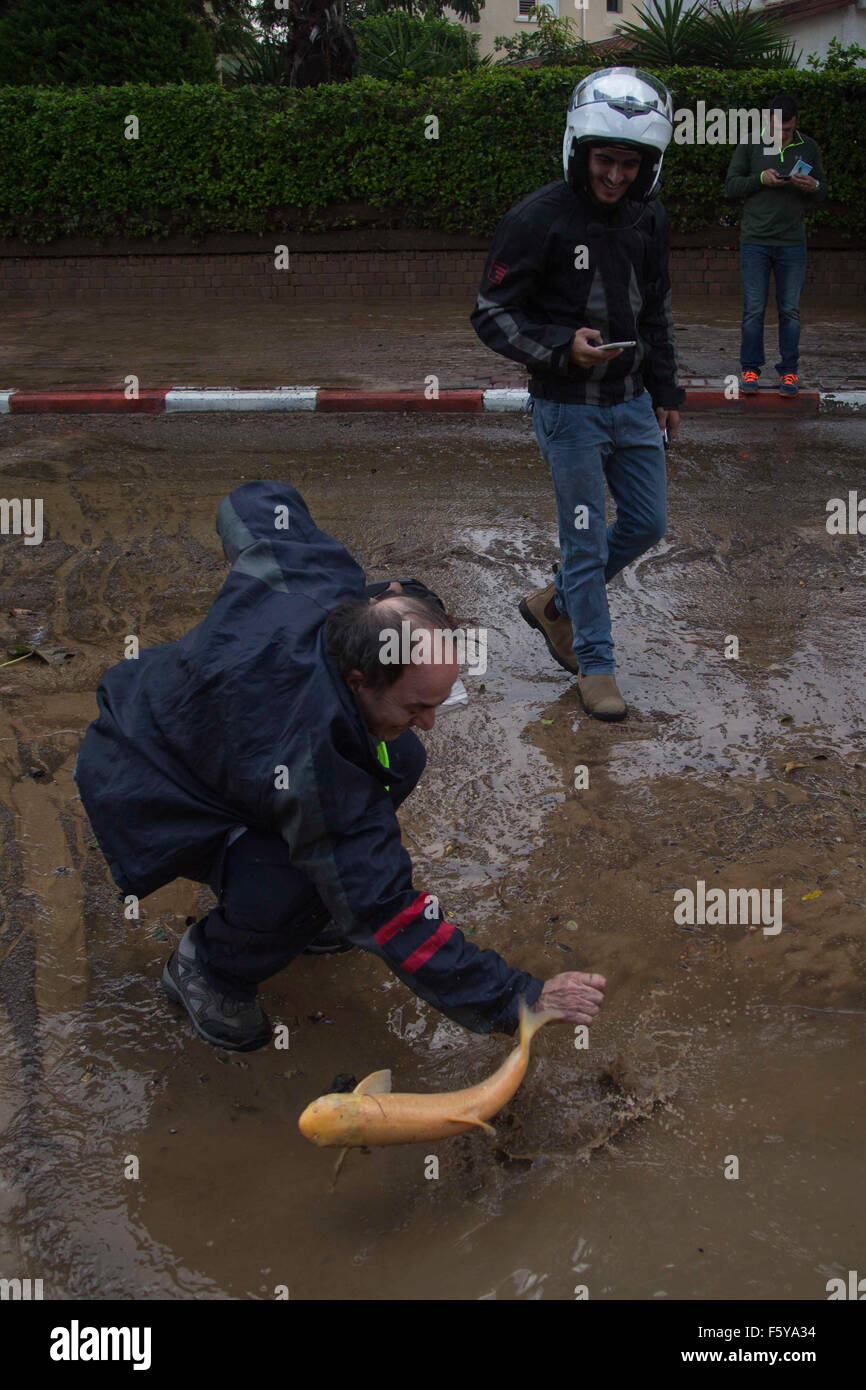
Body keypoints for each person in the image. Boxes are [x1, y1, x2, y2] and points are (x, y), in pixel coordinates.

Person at [74, 481, 606, 1052]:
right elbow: (390, 913)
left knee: (400, 756)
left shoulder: (323, 586)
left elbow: (252, 505)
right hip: (144, 779)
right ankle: (209, 966)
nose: (431, 720)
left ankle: (294, 896)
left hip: (204, 729)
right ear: (359, 679)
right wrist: (516, 997)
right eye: (417, 706)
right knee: (303, 880)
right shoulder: (317, 763)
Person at [471, 67, 684, 722]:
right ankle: (595, 663)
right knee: (587, 539)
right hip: (567, 408)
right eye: (604, 160)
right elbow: (491, 313)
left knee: (649, 523)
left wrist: (666, 388)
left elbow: (656, 312)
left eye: (628, 163)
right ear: (579, 152)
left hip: (630, 401)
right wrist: (562, 348)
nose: (615, 176)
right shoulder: (537, 219)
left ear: (647, 165)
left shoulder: (649, 219)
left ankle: (553, 600)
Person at [725, 92, 826, 398]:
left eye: (788, 129)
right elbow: (731, 186)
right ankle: (750, 370)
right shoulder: (751, 143)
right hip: (755, 240)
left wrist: (813, 186)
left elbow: (822, 191)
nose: (782, 134)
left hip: (792, 242)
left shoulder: (808, 147)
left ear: (796, 123)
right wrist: (760, 179)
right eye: (778, 128)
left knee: (790, 310)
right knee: (754, 310)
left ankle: (789, 372)